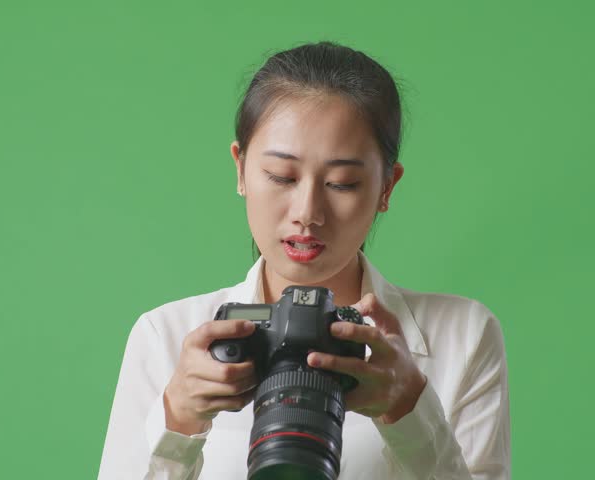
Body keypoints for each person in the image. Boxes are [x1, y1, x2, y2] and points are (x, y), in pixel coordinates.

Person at [97, 41, 510, 480]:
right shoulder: (168, 336)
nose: (307, 213)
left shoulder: (462, 335)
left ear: (387, 187)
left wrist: (409, 410)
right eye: (281, 176)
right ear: (240, 170)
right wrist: (177, 426)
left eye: (342, 183)